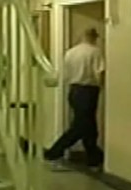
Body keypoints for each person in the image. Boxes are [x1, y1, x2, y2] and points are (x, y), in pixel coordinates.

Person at [44, 27, 105, 168]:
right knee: (81, 126)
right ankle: (54, 152)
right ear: (94, 37)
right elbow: (99, 72)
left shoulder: (71, 52)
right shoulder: (95, 51)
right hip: (88, 90)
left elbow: (66, 72)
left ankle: (93, 158)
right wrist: (102, 87)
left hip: (74, 90)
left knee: (89, 127)